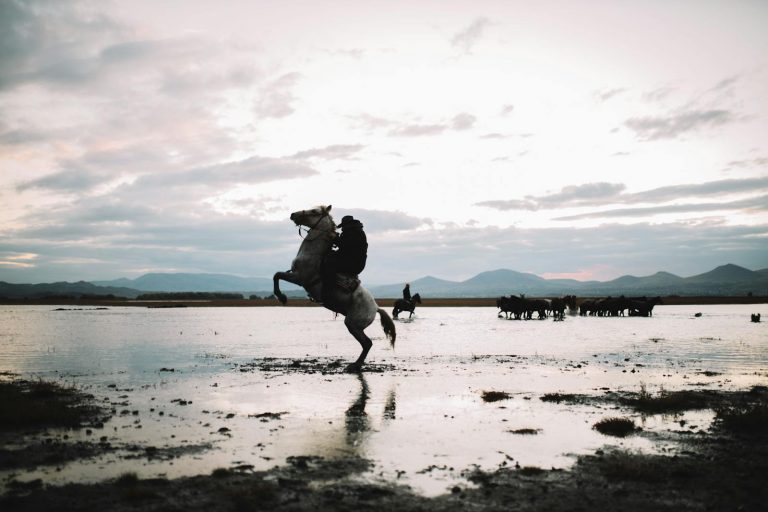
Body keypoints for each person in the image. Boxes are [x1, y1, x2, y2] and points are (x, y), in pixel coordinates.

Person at [322, 215, 368, 298]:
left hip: (354, 263)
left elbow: (346, 246)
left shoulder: (356, 233)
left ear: (348, 225)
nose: (342, 228)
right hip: (352, 260)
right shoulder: (353, 231)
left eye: (343, 226)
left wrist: (335, 238)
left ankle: (329, 291)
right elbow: (346, 248)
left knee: (330, 264)